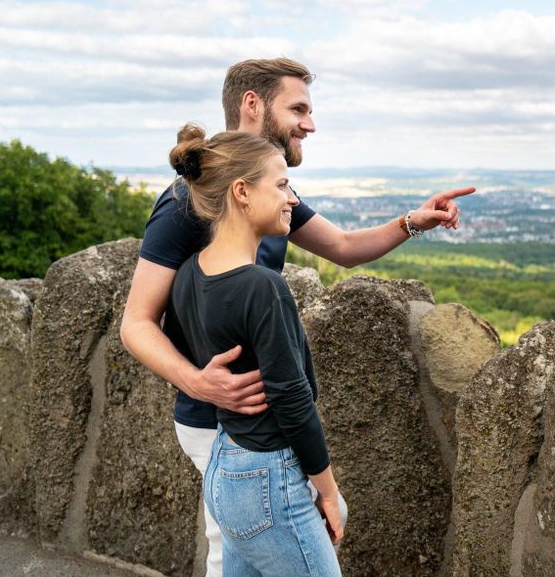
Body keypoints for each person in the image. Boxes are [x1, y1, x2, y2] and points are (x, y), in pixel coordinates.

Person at [120, 57, 474, 577]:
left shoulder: (264, 191)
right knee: (237, 551)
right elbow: (136, 322)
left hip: (251, 422)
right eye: (299, 108)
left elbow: (343, 247)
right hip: (220, 421)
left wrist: (410, 221)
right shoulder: (188, 204)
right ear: (252, 104)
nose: (310, 124)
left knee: (239, 553)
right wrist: (199, 383)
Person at [168, 124, 341, 575]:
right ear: (242, 192)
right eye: (282, 185)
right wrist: (326, 488)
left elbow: (177, 339)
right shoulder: (261, 286)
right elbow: (292, 398)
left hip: (225, 466)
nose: (292, 199)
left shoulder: (190, 272)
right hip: (270, 477)